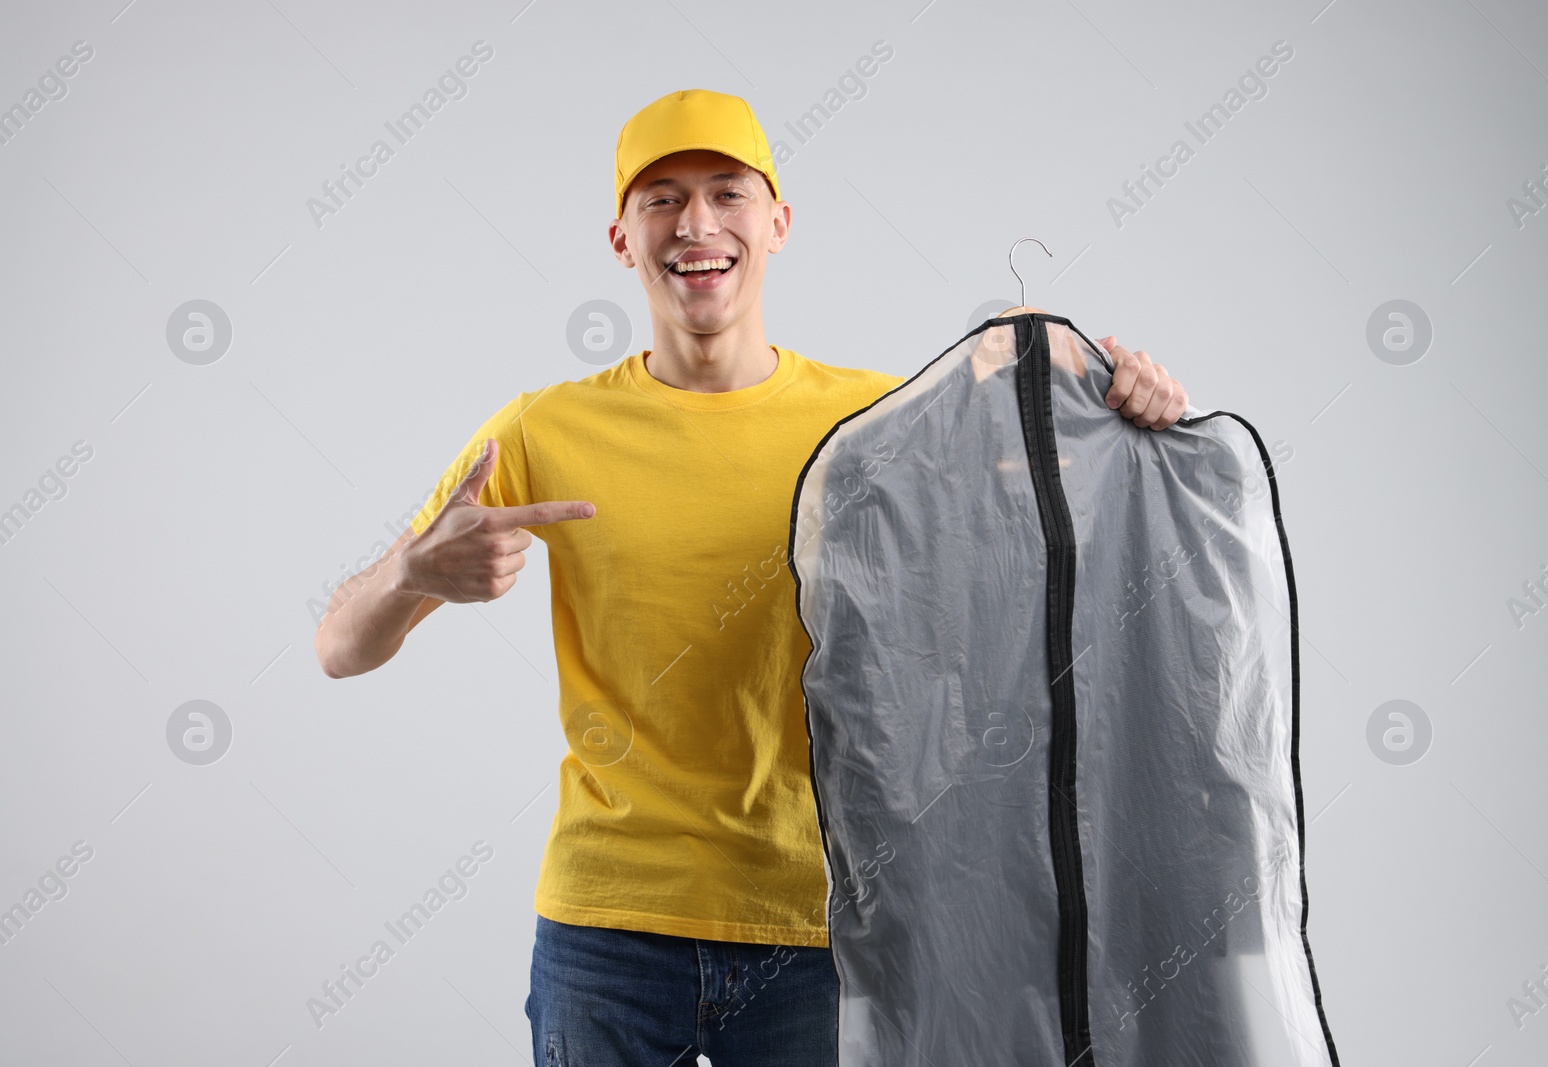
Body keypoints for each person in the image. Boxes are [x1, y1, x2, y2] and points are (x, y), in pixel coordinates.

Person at [313, 88, 1189, 1066]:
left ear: (776, 224)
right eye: (662, 199)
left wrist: (1123, 410)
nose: (696, 223)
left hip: (818, 927)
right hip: (606, 925)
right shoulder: (539, 430)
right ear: (620, 239)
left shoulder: (880, 423)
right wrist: (410, 570)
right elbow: (338, 648)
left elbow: (1048, 530)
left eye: (728, 192)